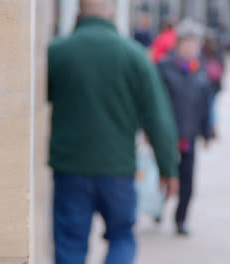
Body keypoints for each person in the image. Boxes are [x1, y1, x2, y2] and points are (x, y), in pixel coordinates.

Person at [47, 0, 180, 263]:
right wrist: (168, 169)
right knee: (121, 238)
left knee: (70, 246)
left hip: (70, 169)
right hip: (117, 169)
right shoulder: (133, 55)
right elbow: (158, 118)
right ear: (112, 11)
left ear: (79, 12)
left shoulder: (57, 53)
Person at [157, 19, 214, 236]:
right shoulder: (164, 68)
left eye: (194, 43)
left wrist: (207, 132)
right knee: (164, 175)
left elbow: (205, 105)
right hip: (166, 136)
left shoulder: (200, 71)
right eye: (187, 42)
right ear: (178, 44)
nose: (191, 47)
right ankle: (157, 209)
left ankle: (180, 219)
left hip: (188, 136)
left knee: (188, 182)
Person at [203, 30, 225, 138]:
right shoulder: (218, 51)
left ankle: (210, 127)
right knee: (211, 106)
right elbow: (223, 67)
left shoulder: (203, 51)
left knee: (209, 106)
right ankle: (211, 126)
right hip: (214, 84)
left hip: (207, 84)